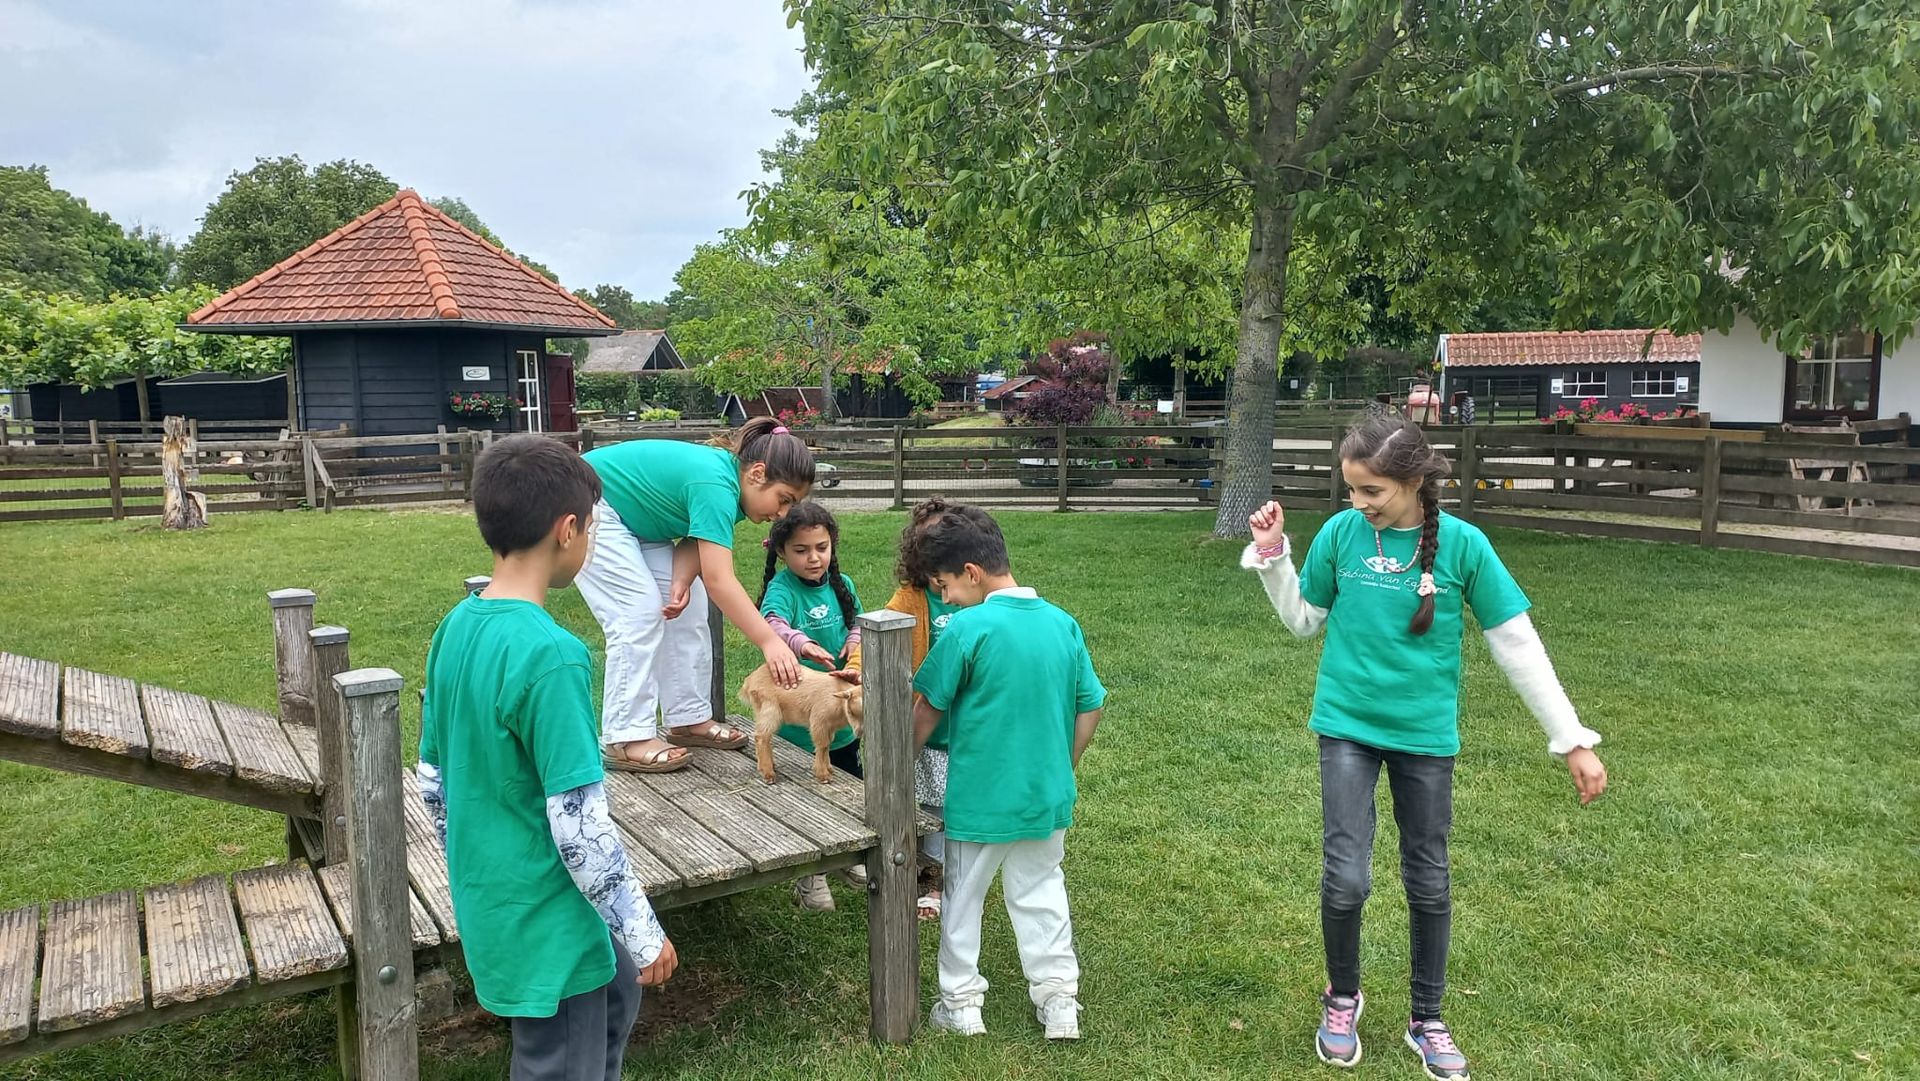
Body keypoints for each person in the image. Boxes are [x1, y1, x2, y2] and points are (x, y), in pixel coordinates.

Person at [1242, 413, 1608, 1080]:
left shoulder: (1464, 547)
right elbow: (1302, 620)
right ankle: (1342, 997)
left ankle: (1428, 1017)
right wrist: (1274, 555)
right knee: (1346, 875)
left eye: (1372, 492)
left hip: (1424, 737)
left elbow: (1518, 646)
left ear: (1413, 481)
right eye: (1351, 490)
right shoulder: (1339, 535)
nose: (1359, 504)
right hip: (1347, 725)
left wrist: (1570, 738)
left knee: (1429, 878)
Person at [418, 434, 678, 1080]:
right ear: (568, 530)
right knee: (560, 1059)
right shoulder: (553, 655)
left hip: (497, 903)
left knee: (617, 990)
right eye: (591, 529)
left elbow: (433, 782)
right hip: (549, 923)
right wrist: (644, 930)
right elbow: (580, 828)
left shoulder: (456, 626)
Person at [911, 512, 1105, 1041]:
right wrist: (1066, 765)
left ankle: (960, 1004)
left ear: (971, 572)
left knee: (963, 897)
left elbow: (927, 707)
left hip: (978, 799)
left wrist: (897, 762)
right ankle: (1059, 1001)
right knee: (1041, 890)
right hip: (1046, 795)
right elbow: (1090, 705)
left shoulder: (969, 628)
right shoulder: (1063, 622)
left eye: (945, 586)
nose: (945, 599)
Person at [576, 417, 813, 774]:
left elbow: (692, 535)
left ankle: (688, 719)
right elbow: (720, 579)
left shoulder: (731, 488)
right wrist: (770, 641)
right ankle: (625, 737)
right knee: (637, 613)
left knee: (690, 606)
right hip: (586, 501)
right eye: (783, 500)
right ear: (757, 473)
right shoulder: (716, 485)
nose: (782, 514)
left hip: (635, 519)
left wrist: (681, 578)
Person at [846, 496, 1000, 921]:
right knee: (929, 807)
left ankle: (957, 875)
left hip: (967, 727)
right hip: (929, 726)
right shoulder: (911, 597)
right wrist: (856, 669)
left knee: (958, 806)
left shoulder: (984, 601)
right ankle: (929, 881)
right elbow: (872, 635)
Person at [756, 499, 867, 910]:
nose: (814, 557)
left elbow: (856, 623)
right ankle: (811, 877)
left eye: (821, 547)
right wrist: (805, 645)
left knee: (849, 782)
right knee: (806, 799)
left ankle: (848, 857)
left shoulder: (845, 584)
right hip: (800, 711)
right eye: (801, 550)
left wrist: (853, 650)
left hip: (843, 705)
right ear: (781, 552)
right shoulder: (782, 589)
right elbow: (773, 624)